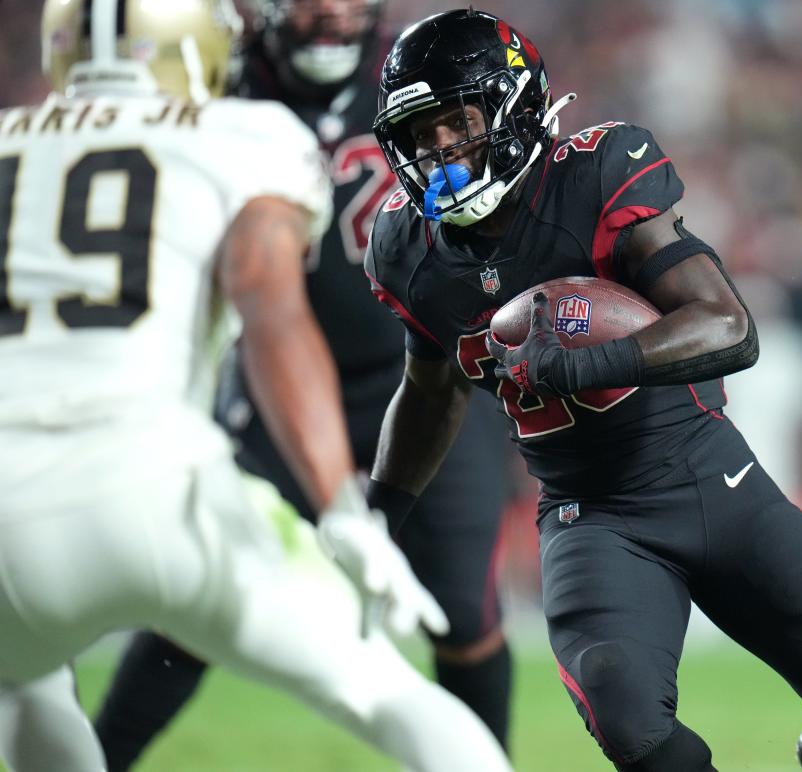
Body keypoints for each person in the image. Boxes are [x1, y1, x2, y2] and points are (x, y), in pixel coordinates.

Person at [364, 8, 802, 772]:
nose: (440, 152)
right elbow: (429, 391)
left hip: (713, 482)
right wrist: (379, 518)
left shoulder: (596, 173)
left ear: (514, 108)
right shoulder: (405, 248)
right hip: (589, 513)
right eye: (421, 136)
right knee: (630, 722)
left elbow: (729, 327)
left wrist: (588, 363)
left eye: (457, 123)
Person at [0, 2, 514, 771]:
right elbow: (269, 304)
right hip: (158, 472)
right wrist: (344, 507)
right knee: (381, 690)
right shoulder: (240, 129)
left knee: (27, 685)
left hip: (12, 498)